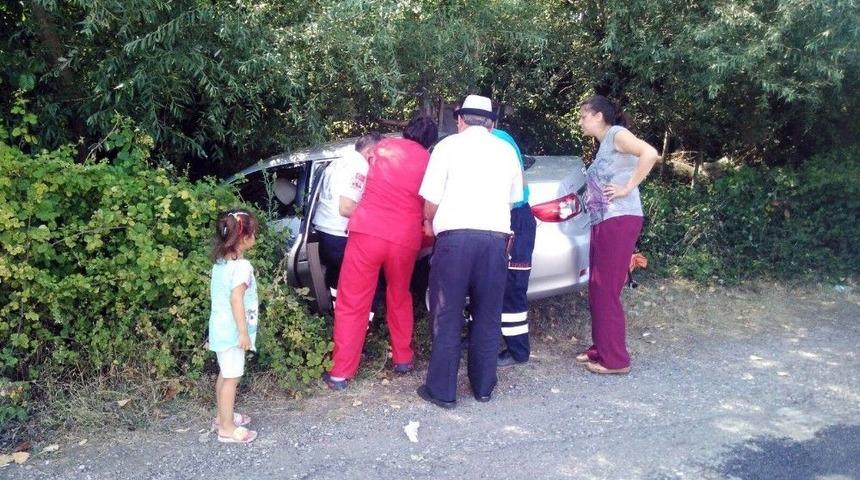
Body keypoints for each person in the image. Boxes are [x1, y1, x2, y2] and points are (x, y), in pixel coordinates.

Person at [417, 94, 523, 408]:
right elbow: (515, 197)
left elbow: (431, 199)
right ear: (490, 123)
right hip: (495, 242)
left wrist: (428, 221)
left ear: (460, 120)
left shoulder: (448, 147)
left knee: (447, 314)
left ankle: (443, 392)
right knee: (488, 315)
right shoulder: (505, 151)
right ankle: (483, 387)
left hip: (455, 242)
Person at [322, 116, 438, 390]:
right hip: (404, 238)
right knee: (399, 295)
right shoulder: (430, 162)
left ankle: (341, 373)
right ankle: (403, 358)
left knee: (353, 301)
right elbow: (429, 203)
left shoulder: (382, 148)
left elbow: (360, 177)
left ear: (406, 130)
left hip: (368, 231)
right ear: (430, 141)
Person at [576, 95, 659, 374]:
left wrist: (627, 188)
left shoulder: (616, 134)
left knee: (607, 289)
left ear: (598, 115)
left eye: (583, 115)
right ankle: (601, 348)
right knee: (598, 287)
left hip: (619, 219)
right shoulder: (603, 146)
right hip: (604, 221)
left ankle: (616, 361)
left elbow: (650, 153)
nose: (580, 121)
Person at [208, 208, 260, 443]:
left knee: (225, 374)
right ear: (245, 237)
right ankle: (227, 430)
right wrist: (243, 333)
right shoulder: (242, 267)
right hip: (232, 331)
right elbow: (236, 299)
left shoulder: (220, 264)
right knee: (232, 377)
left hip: (219, 328)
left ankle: (222, 417)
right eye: (253, 232)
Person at [313, 133, 383, 306]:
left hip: (324, 231)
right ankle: (364, 323)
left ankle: (337, 314)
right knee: (366, 282)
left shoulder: (339, 161)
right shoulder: (359, 166)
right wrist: (378, 218)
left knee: (336, 279)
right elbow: (346, 208)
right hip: (340, 235)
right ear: (370, 151)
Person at [492, 128, 537, 367]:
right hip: (504, 217)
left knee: (513, 286)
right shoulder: (497, 137)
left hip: (515, 218)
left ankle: (518, 350)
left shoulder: (497, 141)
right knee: (487, 281)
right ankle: (483, 335)